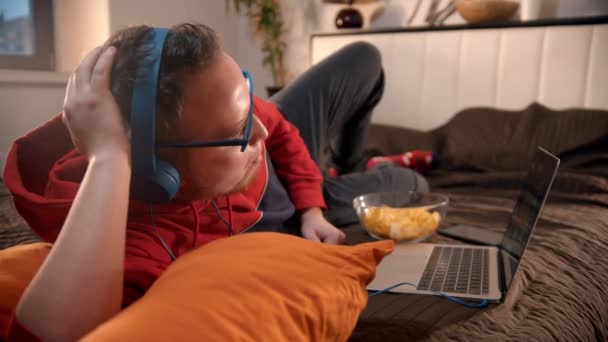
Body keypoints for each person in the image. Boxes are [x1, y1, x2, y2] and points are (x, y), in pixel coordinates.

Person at [3, 23, 428, 340]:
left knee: (365, 57)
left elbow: (275, 130)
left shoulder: (222, 111)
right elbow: (46, 335)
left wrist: (311, 207)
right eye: (241, 129)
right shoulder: (142, 242)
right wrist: (111, 156)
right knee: (410, 185)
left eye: (247, 104)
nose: (256, 129)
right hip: (279, 213)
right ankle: (359, 173)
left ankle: (344, 164)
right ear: (160, 173)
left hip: (297, 188)